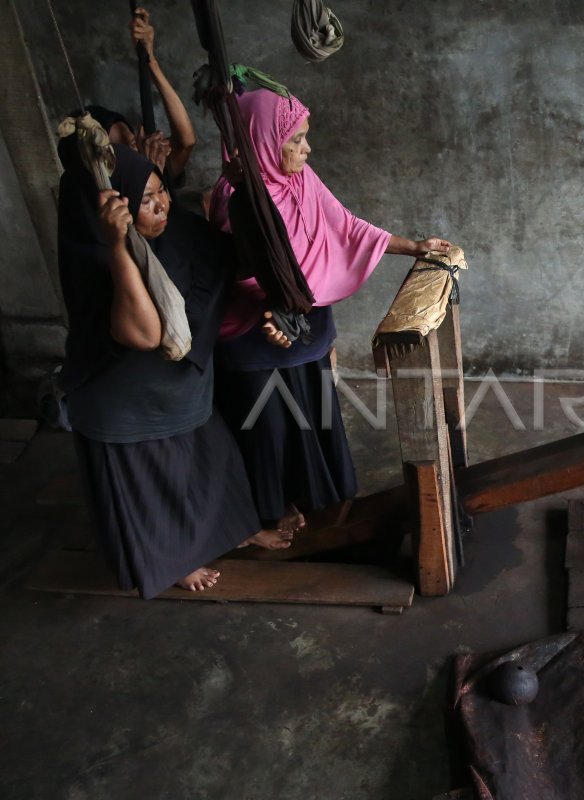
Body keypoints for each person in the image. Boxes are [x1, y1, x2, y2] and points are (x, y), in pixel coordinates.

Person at [208, 88, 454, 532]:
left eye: (305, 137)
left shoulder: (300, 179)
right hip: (258, 330)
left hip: (303, 320)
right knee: (270, 426)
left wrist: (412, 246)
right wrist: (280, 308)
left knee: (313, 411)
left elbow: (344, 223)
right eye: (295, 140)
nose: (307, 149)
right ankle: (269, 509)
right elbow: (244, 272)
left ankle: (317, 495)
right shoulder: (236, 198)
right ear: (260, 140)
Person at [57, 140, 292, 597]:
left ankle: (231, 532)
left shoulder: (178, 229)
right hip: (125, 399)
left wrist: (243, 189)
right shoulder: (95, 254)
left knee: (211, 465)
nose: (161, 203)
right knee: (154, 488)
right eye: (145, 200)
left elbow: (232, 258)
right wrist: (118, 246)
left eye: (161, 189)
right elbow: (145, 333)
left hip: (182, 383)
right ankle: (175, 562)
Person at [82, 7, 196, 184]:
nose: (134, 145)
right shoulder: (120, 197)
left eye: (131, 137)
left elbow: (186, 141)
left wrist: (150, 59)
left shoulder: (153, 158)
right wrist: (152, 169)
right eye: (123, 145)